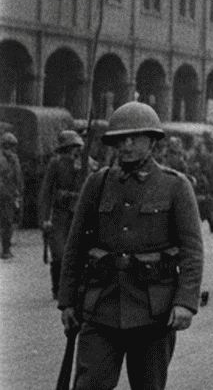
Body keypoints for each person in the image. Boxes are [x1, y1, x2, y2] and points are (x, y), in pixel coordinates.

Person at [56, 101, 203, 390]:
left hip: (154, 312)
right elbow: (75, 246)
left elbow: (192, 251)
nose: (127, 145)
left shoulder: (175, 186)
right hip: (101, 307)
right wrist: (67, 301)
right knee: (90, 385)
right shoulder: (97, 184)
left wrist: (185, 303)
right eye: (120, 139)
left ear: (152, 141)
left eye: (135, 138)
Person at [39, 129, 91, 295]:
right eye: (72, 147)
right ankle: (57, 288)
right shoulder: (56, 163)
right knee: (59, 254)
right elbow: (46, 191)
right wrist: (45, 218)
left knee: (78, 253)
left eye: (77, 147)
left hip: (78, 213)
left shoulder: (85, 162)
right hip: (60, 213)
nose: (75, 150)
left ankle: (74, 287)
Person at [192, 137, 213, 234]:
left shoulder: (208, 156)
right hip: (198, 182)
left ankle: (211, 225)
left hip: (206, 183)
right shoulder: (196, 156)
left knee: (207, 204)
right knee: (203, 204)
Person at [0, 132, 21, 259]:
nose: (13, 150)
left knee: (9, 222)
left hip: (10, 195)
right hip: (3, 195)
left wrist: (16, 192)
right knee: (7, 222)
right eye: (10, 146)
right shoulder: (2, 160)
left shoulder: (14, 159)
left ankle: (6, 248)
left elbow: (17, 179)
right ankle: (6, 249)